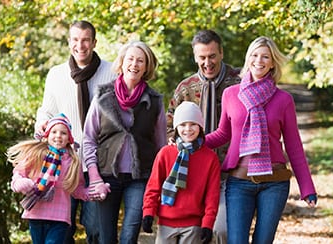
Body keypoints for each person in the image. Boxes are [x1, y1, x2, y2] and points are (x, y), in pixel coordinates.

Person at [204, 36, 318, 243]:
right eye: (255, 55)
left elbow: (294, 146)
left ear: (272, 62)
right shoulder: (231, 94)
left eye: (265, 56)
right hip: (239, 182)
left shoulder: (284, 100)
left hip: (274, 183)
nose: (259, 60)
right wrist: (195, 142)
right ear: (248, 59)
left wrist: (307, 188)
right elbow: (223, 134)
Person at [34, 20, 117, 244]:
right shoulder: (56, 74)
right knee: (63, 227)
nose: (80, 45)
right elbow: (47, 110)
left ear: (94, 42)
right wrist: (42, 123)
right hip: (64, 165)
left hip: (96, 164)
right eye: (75, 40)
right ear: (69, 42)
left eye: (86, 40)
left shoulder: (111, 72)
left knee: (95, 228)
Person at [82, 40, 167, 244]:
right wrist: (94, 177)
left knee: (130, 235)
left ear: (147, 67)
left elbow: (161, 146)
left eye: (140, 61)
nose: (134, 64)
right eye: (130, 59)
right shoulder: (102, 95)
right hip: (106, 176)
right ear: (121, 62)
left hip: (140, 178)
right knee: (106, 237)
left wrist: (159, 183)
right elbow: (88, 138)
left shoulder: (154, 100)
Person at [166, 30, 241, 244]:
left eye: (212, 56)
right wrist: (174, 140)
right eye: (202, 57)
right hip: (193, 174)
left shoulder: (238, 84)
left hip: (229, 173)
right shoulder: (186, 88)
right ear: (195, 57)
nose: (207, 62)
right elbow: (169, 123)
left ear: (221, 53)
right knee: (194, 234)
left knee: (221, 232)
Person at [8, 113, 110, 244]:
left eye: (63, 133)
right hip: (36, 214)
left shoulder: (73, 162)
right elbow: (18, 173)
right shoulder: (37, 154)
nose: (58, 136)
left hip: (60, 217)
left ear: (69, 139)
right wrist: (21, 183)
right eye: (54, 132)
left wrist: (94, 192)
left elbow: (77, 188)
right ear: (47, 135)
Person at [142, 101, 221, 244]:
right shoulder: (165, 153)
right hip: (166, 222)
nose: (188, 129)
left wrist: (208, 222)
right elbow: (153, 186)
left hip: (193, 224)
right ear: (176, 127)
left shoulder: (210, 158)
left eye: (193, 124)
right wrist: (148, 212)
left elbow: (212, 195)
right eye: (183, 125)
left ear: (200, 126)